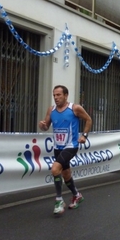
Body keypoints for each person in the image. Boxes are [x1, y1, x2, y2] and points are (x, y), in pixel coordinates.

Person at [39, 85, 92, 215]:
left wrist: (84, 135)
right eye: (54, 95)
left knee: (55, 169)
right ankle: (77, 195)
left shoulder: (75, 108)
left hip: (71, 146)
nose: (56, 98)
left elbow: (88, 120)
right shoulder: (51, 110)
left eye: (58, 95)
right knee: (66, 173)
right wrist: (43, 126)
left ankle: (59, 200)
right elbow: (46, 127)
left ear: (66, 95)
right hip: (58, 147)